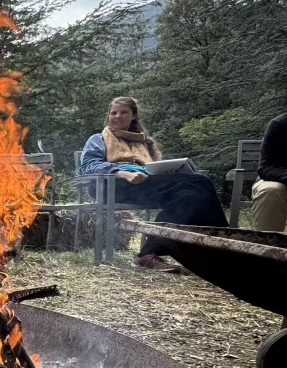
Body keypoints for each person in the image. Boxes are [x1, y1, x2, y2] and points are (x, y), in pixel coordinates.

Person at [80, 96, 228, 272]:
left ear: (134, 115)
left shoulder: (143, 142)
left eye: (123, 112)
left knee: (190, 196)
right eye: (113, 112)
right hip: (111, 184)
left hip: (144, 183)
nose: (117, 116)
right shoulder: (98, 138)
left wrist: (170, 171)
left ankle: (149, 253)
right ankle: (224, 243)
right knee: (199, 182)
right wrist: (122, 173)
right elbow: (88, 166)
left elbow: (152, 168)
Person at [252, 106, 287, 232]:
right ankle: (269, 246)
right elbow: (266, 168)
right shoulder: (282, 124)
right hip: (282, 181)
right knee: (270, 191)